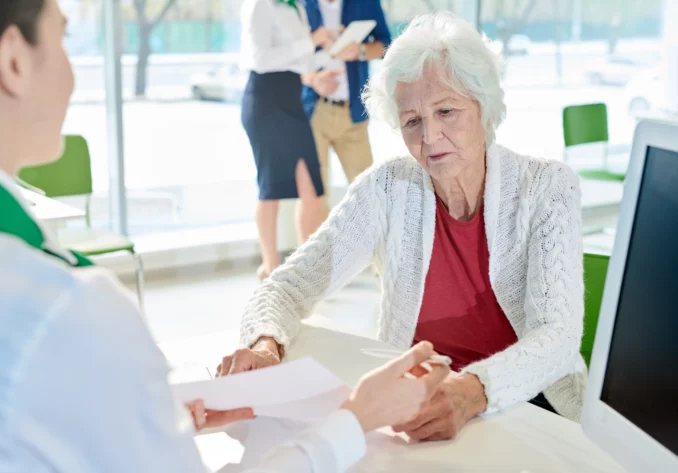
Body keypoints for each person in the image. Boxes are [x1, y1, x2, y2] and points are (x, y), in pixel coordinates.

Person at [0, 1, 450, 472]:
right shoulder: (65, 306)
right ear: (13, 60)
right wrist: (357, 418)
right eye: (64, 37)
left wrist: (146, 416)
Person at [219, 12, 588, 441]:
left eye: (446, 111)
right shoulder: (386, 188)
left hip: (530, 409)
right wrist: (266, 344)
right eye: (412, 121)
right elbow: (285, 287)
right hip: (418, 411)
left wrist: (472, 391)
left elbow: (558, 337)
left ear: (484, 108)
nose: (430, 137)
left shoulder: (547, 187)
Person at [240, 0, 332, 281]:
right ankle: (270, 268)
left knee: (312, 190)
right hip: (265, 102)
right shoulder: (260, 5)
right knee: (270, 188)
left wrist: (320, 68)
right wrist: (311, 41)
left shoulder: (296, 7)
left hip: (293, 103)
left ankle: (303, 270)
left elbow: (300, 63)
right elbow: (260, 59)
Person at [301, 0, 392, 206]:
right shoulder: (301, 5)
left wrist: (359, 51)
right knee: (313, 197)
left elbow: (387, 45)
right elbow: (286, 59)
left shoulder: (366, 3)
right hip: (313, 113)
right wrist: (314, 79)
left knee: (368, 195)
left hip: (353, 114)